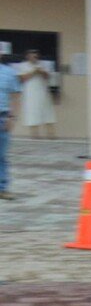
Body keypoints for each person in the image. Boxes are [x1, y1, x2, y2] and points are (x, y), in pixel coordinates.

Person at [15, 50, 56, 139]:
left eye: (36, 55)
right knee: (32, 113)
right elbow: (21, 79)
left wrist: (41, 71)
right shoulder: (22, 65)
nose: (34, 56)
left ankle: (51, 134)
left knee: (48, 113)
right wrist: (34, 71)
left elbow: (48, 76)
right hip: (30, 94)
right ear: (27, 56)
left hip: (43, 93)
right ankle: (34, 135)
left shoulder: (43, 64)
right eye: (32, 55)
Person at [0, 55, 21, 200]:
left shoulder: (9, 72)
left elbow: (16, 96)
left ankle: (2, 188)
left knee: (1, 155)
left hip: (3, 117)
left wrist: (12, 117)